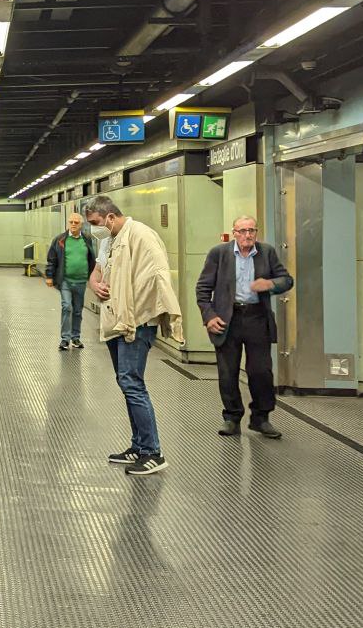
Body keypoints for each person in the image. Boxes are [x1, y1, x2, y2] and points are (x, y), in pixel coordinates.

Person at [84, 195, 183, 476]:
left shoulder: (142, 236)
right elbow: (98, 271)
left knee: (132, 382)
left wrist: (145, 315)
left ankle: (153, 452)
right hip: (119, 319)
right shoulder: (109, 240)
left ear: (111, 217)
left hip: (137, 322)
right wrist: (95, 284)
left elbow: (157, 278)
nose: (95, 229)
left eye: (95, 223)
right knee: (125, 381)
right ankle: (138, 446)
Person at [195, 216, 294, 439]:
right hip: (227, 320)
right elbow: (202, 289)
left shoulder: (266, 252)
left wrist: (270, 284)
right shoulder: (219, 254)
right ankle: (231, 417)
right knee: (227, 372)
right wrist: (209, 316)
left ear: (256, 232)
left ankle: (261, 418)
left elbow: (286, 280)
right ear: (234, 233)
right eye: (242, 231)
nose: (247, 235)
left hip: (257, 318)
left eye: (251, 230)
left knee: (261, 372)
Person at [45, 212, 96, 351]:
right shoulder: (60, 240)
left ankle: (76, 337)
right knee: (67, 307)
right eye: (71, 222)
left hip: (81, 281)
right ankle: (65, 339)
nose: (73, 225)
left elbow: (92, 259)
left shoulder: (86, 239)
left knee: (78, 311)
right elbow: (52, 259)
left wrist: (93, 277)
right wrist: (49, 276)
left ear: (81, 225)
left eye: (76, 222)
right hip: (65, 280)